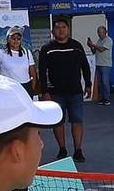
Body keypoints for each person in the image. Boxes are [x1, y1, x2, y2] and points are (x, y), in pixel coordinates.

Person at [34, 16, 93, 163]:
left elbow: (85, 67)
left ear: (68, 29)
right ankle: (62, 149)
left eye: (63, 27)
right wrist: (45, 92)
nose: (61, 30)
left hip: (75, 92)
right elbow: (42, 72)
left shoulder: (77, 46)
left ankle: (78, 150)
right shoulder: (47, 49)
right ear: (53, 31)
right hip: (55, 93)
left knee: (77, 121)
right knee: (58, 122)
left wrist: (88, 84)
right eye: (57, 27)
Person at [91, 26, 113, 104]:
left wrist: (93, 45)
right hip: (99, 63)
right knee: (100, 83)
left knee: (105, 82)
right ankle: (102, 98)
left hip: (106, 64)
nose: (99, 34)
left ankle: (107, 99)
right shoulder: (99, 40)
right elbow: (94, 51)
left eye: (100, 32)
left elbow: (101, 49)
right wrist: (91, 46)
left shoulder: (108, 40)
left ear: (105, 32)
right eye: (98, 32)